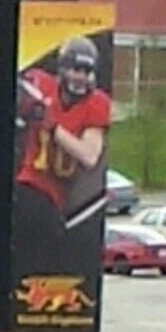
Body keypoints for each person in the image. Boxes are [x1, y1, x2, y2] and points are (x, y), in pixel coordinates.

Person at [14, 34, 113, 269]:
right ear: (62, 69)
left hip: (53, 197)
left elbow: (89, 156)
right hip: (26, 182)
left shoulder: (96, 104)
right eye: (76, 69)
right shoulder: (40, 85)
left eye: (87, 71)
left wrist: (52, 126)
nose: (82, 77)